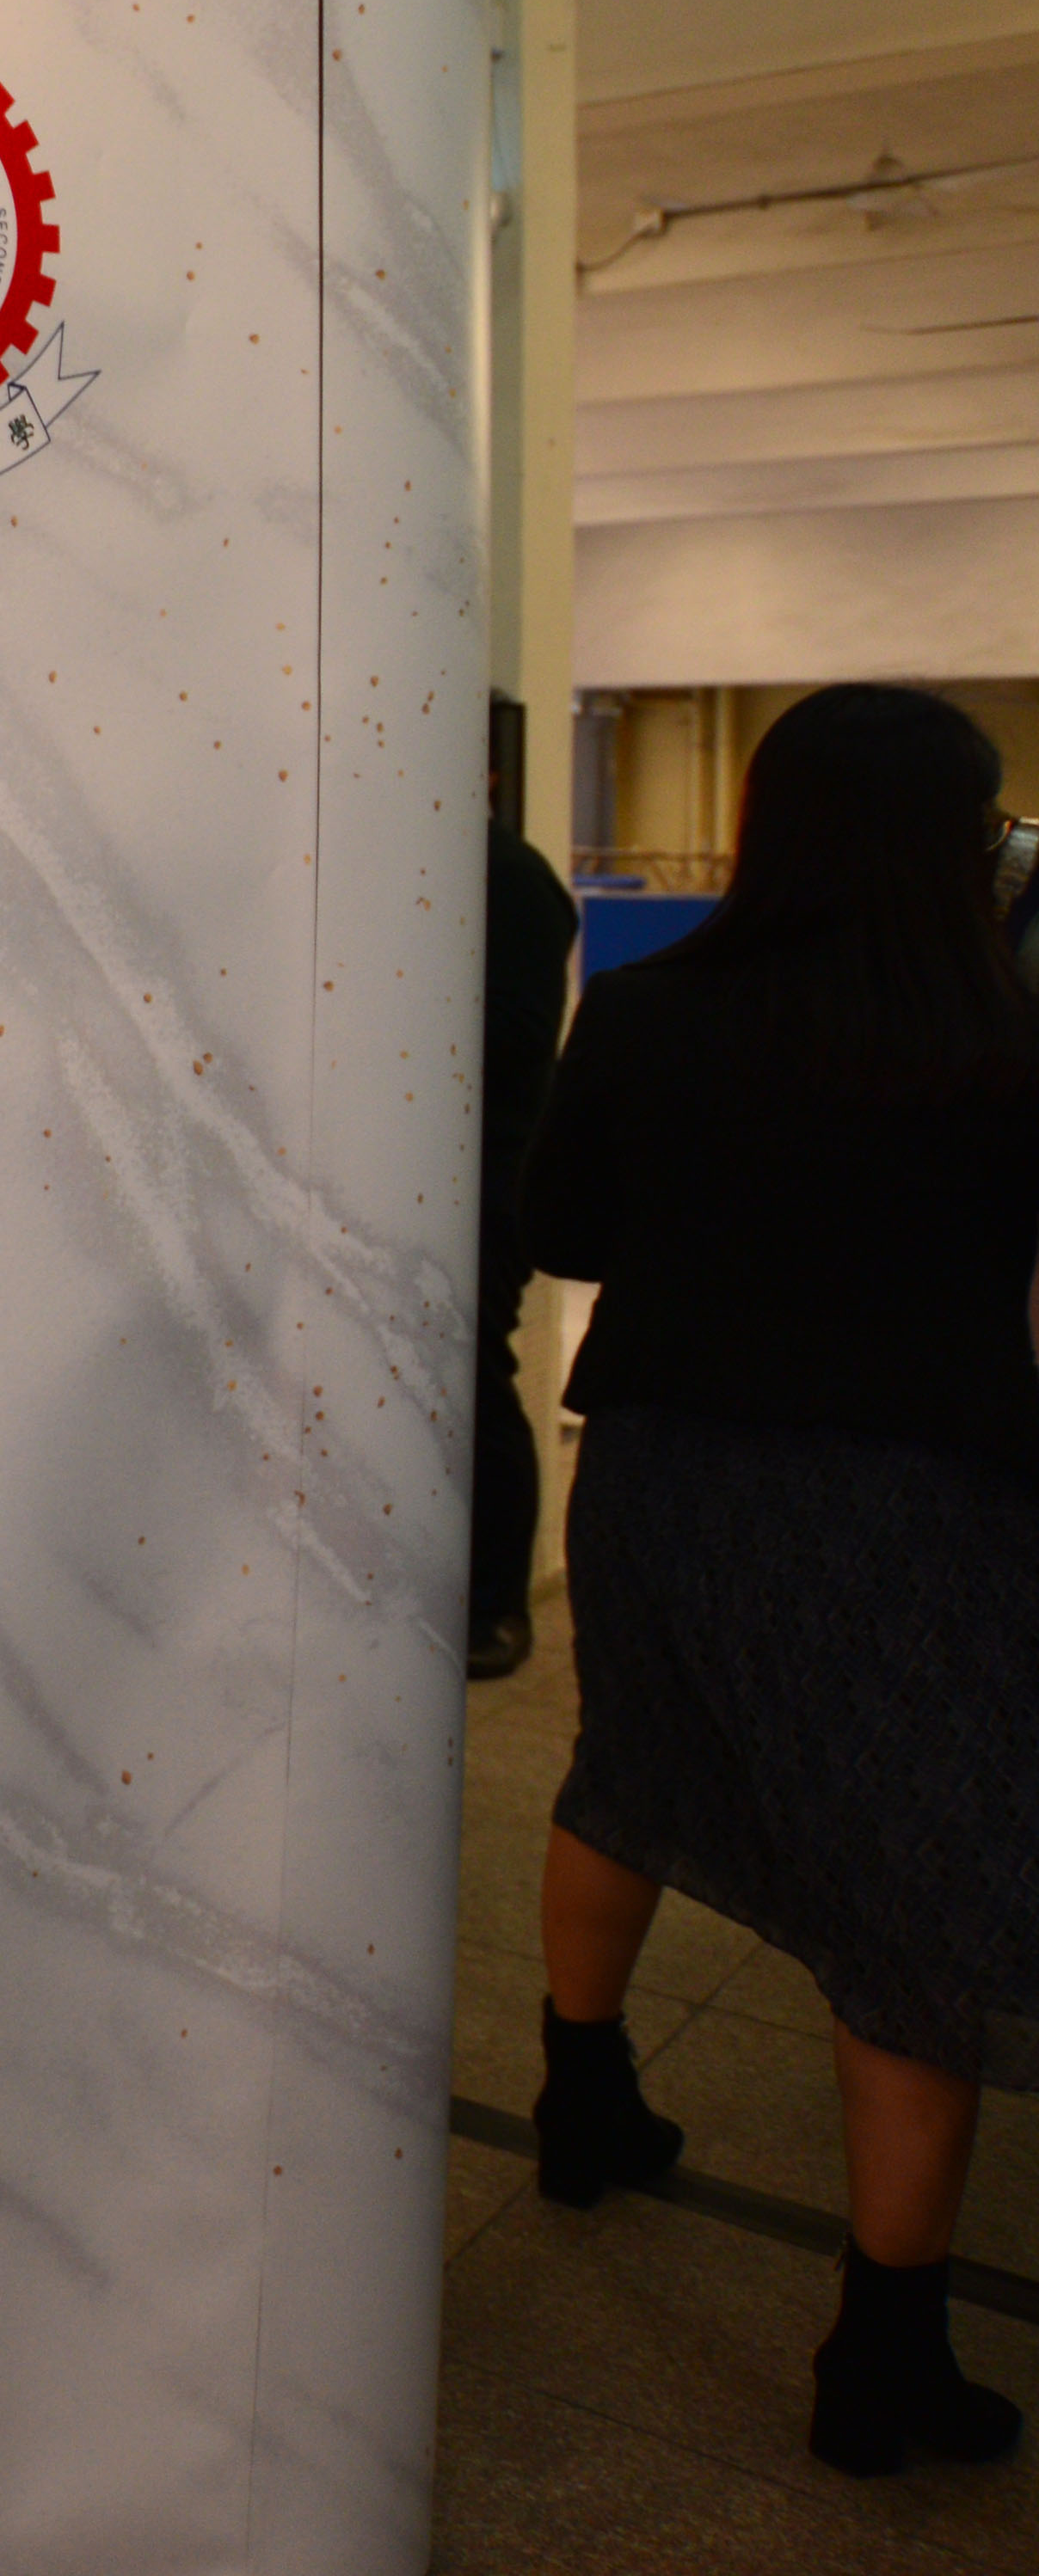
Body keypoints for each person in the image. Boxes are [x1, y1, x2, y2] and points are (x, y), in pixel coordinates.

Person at [522, 683, 1039, 2478]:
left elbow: (563, 1231)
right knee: (909, 1901)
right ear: (953, 845)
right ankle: (882, 2353)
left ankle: (579, 2096)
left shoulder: (649, 1008)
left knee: (626, 1769)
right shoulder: (1004, 1045)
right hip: (907, 1509)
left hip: (661, 1473)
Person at [468, 788, 582, 1681]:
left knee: (469, 1375)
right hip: (424, 1170)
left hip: (483, 1174)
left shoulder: (508, 878)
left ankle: (495, 1602)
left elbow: (514, 1034)